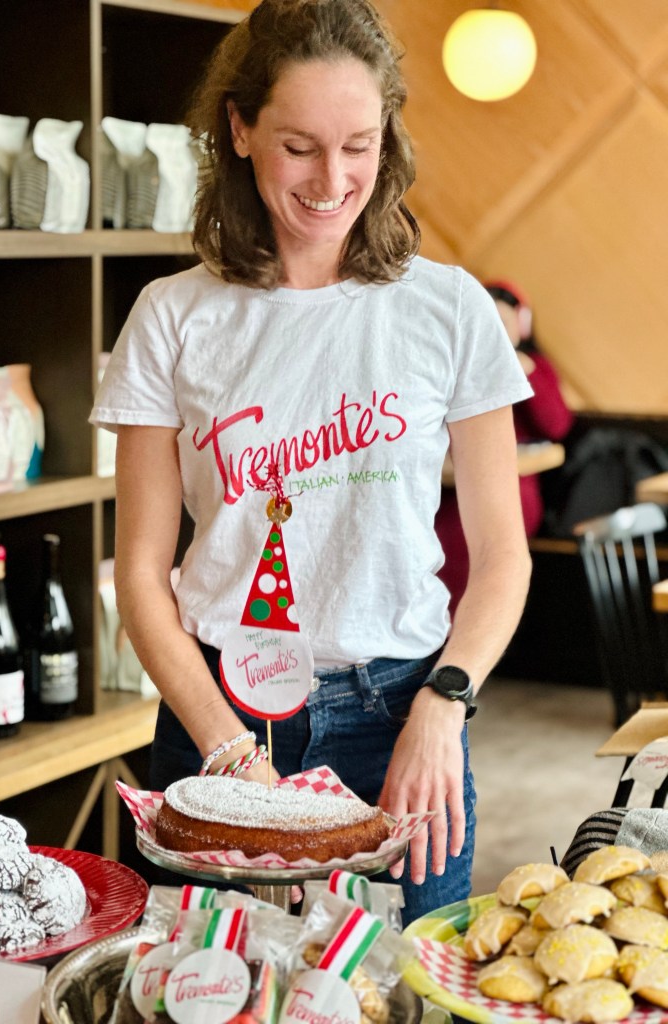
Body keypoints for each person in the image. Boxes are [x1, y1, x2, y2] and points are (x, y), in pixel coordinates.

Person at [90, 0, 532, 927]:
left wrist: (445, 705)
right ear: (240, 130)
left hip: (402, 717)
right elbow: (140, 574)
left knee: (391, 982)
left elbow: (502, 557)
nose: (333, 180)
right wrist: (228, 753)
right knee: (211, 982)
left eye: (359, 145)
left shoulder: (450, 309)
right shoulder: (172, 317)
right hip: (219, 717)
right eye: (299, 147)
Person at [436, 279, 574, 614]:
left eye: (503, 322)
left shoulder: (531, 366)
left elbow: (557, 425)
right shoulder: (456, 367)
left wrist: (522, 369)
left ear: (522, 325)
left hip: (512, 489)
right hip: (451, 489)